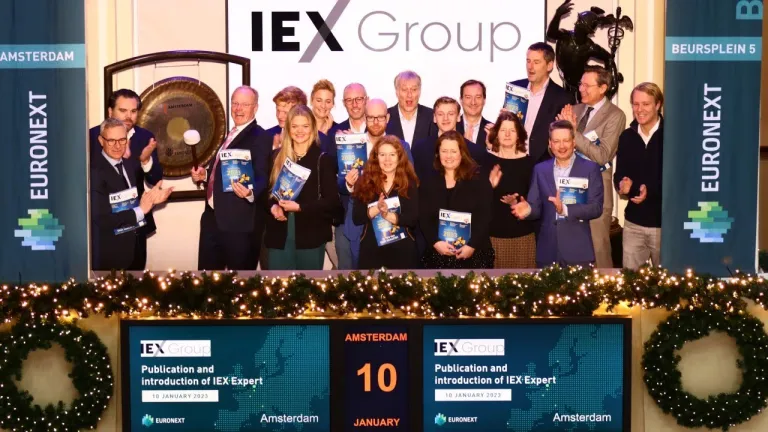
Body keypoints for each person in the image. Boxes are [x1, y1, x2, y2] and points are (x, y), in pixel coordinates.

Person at [190, 86, 270, 270]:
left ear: (255, 108)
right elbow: (226, 171)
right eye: (235, 103)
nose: (238, 109)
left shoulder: (260, 136)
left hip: (239, 225)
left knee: (239, 281)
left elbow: (262, 176)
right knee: (207, 280)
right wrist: (205, 175)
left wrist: (250, 193)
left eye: (245, 104)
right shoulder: (231, 134)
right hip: (211, 218)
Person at [557, 65, 626, 268]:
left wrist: (572, 132)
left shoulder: (615, 115)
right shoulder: (574, 110)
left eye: (587, 85)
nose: (581, 89)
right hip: (568, 189)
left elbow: (603, 155)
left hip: (597, 191)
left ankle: (604, 287)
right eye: (581, 84)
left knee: (598, 248)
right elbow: (555, 150)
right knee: (569, 247)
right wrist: (558, 135)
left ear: (603, 88)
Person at [511, 120, 603, 267]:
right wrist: (528, 210)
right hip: (548, 250)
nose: (561, 146)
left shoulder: (590, 168)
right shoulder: (540, 170)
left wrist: (565, 209)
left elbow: (596, 208)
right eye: (556, 141)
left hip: (578, 250)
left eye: (566, 140)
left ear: (574, 142)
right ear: (550, 143)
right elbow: (536, 208)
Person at [89, 89, 163, 268]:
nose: (128, 116)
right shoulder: (91, 137)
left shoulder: (145, 137)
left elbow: (155, 178)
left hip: (137, 225)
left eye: (133, 111)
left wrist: (145, 161)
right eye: (123, 110)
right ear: (110, 111)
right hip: (106, 231)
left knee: (136, 276)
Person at [337, 99, 414, 270]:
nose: (376, 122)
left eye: (380, 117)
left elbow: (409, 184)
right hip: (360, 224)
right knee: (362, 277)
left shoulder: (402, 146)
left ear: (388, 117)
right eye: (371, 117)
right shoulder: (352, 143)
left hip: (394, 226)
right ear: (365, 118)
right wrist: (349, 184)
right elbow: (339, 183)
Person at [264, 105, 342, 270]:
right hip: (279, 235)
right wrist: (273, 207)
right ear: (288, 128)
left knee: (307, 284)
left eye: (305, 126)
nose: (300, 131)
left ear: (312, 128)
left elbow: (332, 202)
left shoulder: (323, 160)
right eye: (295, 126)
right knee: (278, 284)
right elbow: (267, 194)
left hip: (311, 236)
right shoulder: (276, 157)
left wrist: (300, 207)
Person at [419, 130, 494, 269]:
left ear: (462, 153)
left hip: (474, 253)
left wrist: (471, 245)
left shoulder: (478, 179)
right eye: (444, 151)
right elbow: (423, 217)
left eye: (453, 151)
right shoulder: (428, 181)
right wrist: (435, 242)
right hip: (438, 254)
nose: (448, 156)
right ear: (438, 153)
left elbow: (485, 216)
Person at [614, 82, 664, 270]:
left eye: (646, 104)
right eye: (636, 104)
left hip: (664, 225)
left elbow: (677, 180)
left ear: (658, 105)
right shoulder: (626, 137)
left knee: (668, 282)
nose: (639, 109)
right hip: (633, 224)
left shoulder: (672, 136)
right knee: (631, 281)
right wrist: (623, 186)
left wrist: (648, 191)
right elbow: (620, 174)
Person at [352, 136, 420, 270]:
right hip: (372, 250)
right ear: (376, 157)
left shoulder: (409, 183)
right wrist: (377, 208)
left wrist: (388, 215)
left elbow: (413, 219)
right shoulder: (364, 182)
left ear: (399, 157)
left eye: (392, 155)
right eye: (382, 155)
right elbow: (357, 217)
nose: (387, 159)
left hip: (403, 251)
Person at [486, 112, 536, 268]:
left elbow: (537, 202)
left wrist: (517, 203)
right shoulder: (484, 161)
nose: (507, 134)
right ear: (496, 134)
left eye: (512, 130)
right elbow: (476, 202)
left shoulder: (531, 164)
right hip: (491, 237)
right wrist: (489, 188)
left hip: (522, 236)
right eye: (503, 130)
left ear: (519, 135)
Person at [510, 42, 573, 164]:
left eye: (536, 62)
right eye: (528, 61)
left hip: (543, 164)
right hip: (512, 160)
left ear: (549, 65)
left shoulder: (562, 97)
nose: (530, 67)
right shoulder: (515, 88)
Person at [412, 97, 490, 181]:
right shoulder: (419, 149)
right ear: (434, 117)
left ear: (458, 117)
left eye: (451, 114)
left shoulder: (474, 151)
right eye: (440, 114)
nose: (445, 118)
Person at [386, 70, 438, 145]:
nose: (409, 95)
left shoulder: (432, 116)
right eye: (404, 89)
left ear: (419, 91)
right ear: (397, 92)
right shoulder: (385, 117)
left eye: (414, 89)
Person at [456, 79, 491, 147]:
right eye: (468, 97)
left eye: (478, 97)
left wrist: (490, 148)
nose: (473, 102)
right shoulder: (451, 127)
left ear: (484, 100)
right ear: (461, 100)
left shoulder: (494, 130)